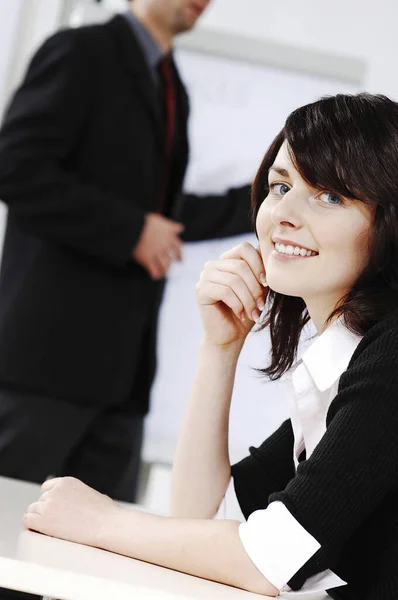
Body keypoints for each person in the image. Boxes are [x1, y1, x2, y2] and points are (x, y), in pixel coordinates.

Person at [24, 92, 398, 600]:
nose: (282, 214)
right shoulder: (344, 363)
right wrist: (220, 348)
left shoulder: (391, 358)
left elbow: (271, 560)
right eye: (280, 185)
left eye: (329, 196)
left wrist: (101, 521)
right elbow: (206, 519)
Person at [0, 0, 253, 504]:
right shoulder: (80, 51)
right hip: (45, 369)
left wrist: (266, 197)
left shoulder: (169, 84)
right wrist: (130, 230)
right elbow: (15, 167)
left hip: (122, 382)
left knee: (92, 569)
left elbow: (159, 213)